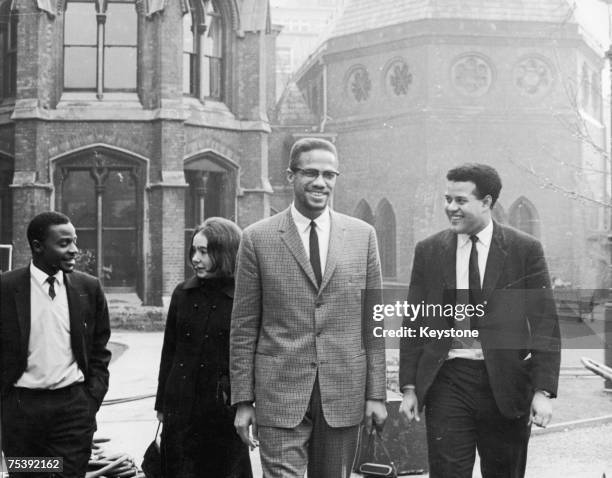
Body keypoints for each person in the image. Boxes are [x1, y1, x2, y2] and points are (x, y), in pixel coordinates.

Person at [230, 137, 387, 478]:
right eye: (311, 172)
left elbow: (373, 323)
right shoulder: (257, 238)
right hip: (279, 394)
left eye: (329, 174)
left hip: (343, 390)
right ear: (290, 176)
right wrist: (243, 401)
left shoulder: (363, 236)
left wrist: (376, 394)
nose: (321, 182)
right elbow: (243, 326)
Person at [399, 164, 561, 478]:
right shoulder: (429, 251)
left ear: (486, 202)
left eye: (460, 200)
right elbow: (413, 323)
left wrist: (543, 391)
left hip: (506, 385)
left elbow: (545, 324)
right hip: (448, 381)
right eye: (447, 199)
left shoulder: (524, 250)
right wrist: (409, 387)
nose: (450, 208)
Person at [0, 211, 111, 477]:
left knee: (68, 474)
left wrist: (90, 400)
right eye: (64, 243)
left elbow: (100, 350)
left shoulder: (89, 288)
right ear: (38, 246)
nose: (74, 250)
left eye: (74, 241)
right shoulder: (5, 288)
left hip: (72, 411)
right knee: (29, 474)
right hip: (21, 412)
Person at [155, 217, 252, 478]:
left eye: (204, 252)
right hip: (181, 408)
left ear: (225, 253)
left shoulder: (244, 297)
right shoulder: (182, 294)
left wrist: (247, 404)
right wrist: (162, 405)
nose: (195, 259)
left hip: (222, 410)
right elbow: (170, 352)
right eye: (193, 251)